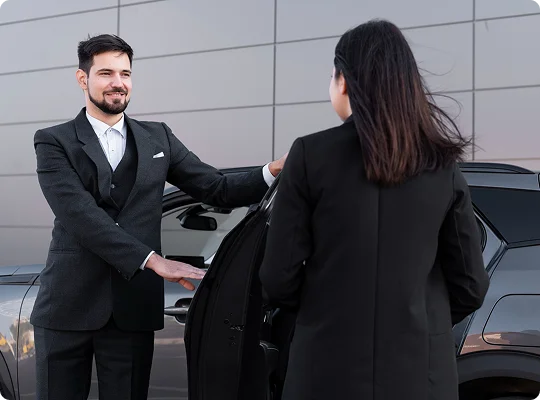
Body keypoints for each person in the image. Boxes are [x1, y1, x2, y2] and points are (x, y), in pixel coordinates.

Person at [31, 34, 286, 400]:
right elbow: (80, 216)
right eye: (106, 73)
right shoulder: (53, 141)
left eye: (125, 73)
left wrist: (272, 172)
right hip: (67, 306)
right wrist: (152, 261)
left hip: (133, 309)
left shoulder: (158, 138)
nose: (118, 82)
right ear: (82, 78)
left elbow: (216, 188)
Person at [259, 19, 490, 400]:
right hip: (422, 376)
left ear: (343, 81)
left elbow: (278, 277)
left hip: (325, 370)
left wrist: (323, 311)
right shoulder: (442, 165)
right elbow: (470, 286)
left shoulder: (308, 155)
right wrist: (419, 320)